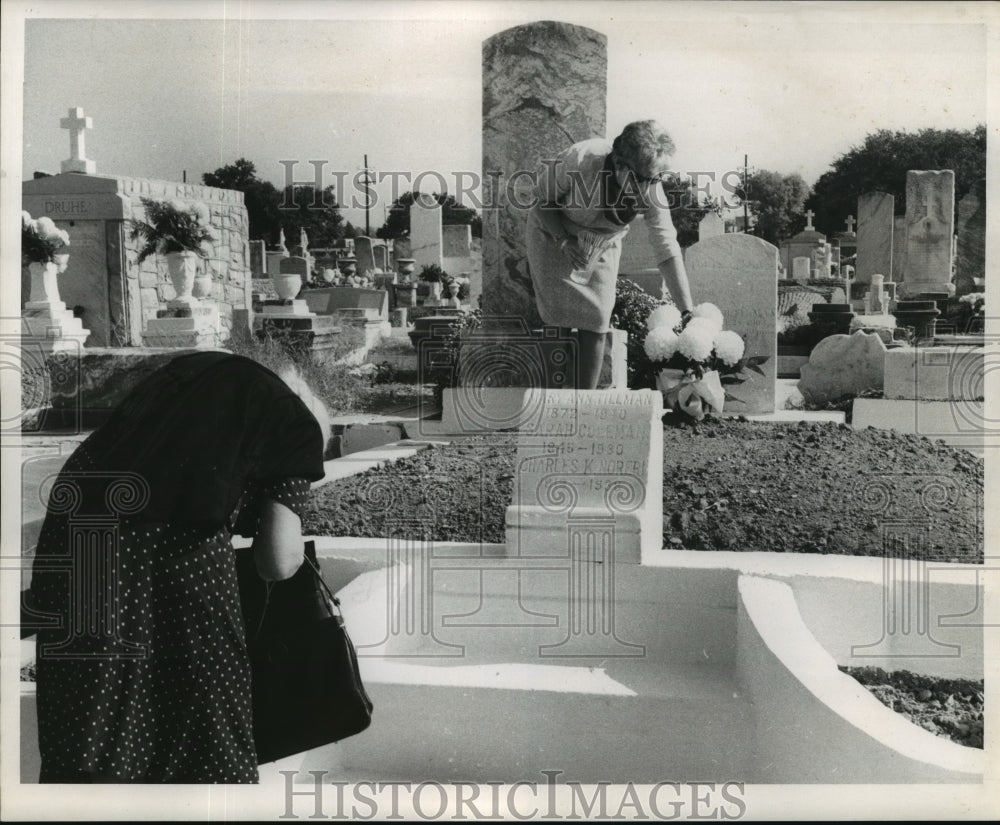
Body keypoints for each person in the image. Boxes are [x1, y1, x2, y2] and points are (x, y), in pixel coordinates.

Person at [27, 351, 329, 783]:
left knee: (95, 719)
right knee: (204, 730)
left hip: (76, 534)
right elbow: (279, 562)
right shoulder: (295, 427)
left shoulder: (203, 379)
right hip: (173, 558)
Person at [526, 119, 696, 388]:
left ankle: (585, 404)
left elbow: (667, 247)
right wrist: (564, 241)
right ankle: (554, 404)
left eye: (656, 179)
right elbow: (541, 202)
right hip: (552, 234)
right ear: (619, 164)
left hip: (602, 242)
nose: (647, 188)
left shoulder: (651, 185)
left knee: (596, 317)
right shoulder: (581, 159)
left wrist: (687, 310)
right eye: (641, 179)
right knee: (556, 318)